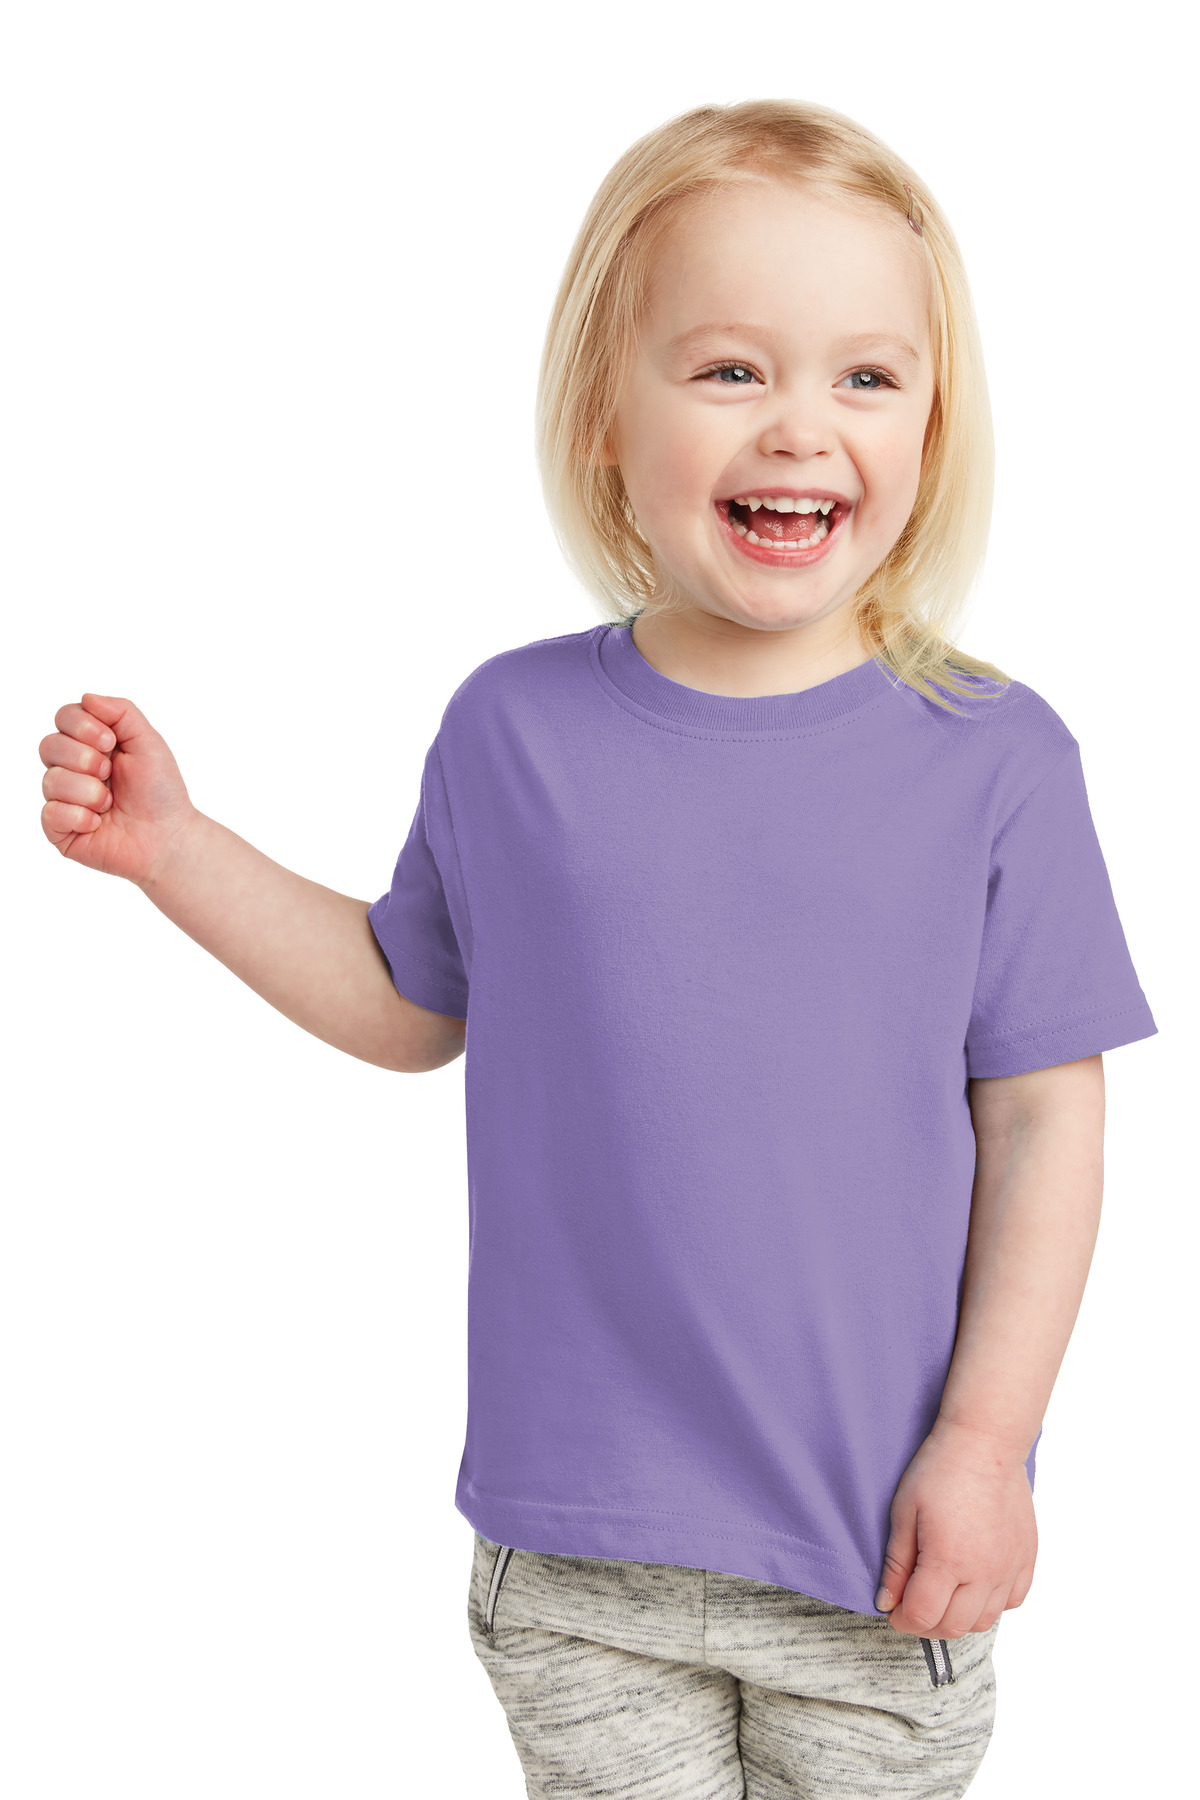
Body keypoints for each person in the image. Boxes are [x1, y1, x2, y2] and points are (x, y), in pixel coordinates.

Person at [39, 99, 1156, 1800]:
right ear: (604, 416)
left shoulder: (997, 760)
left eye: (868, 376)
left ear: (935, 425)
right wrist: (174, 852)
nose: (801, 425)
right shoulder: (514, 731)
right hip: (579, 1558)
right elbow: (407, 1001)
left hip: (881, 1555)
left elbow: (1048, 1124)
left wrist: (990, 1448)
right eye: (730, 370)